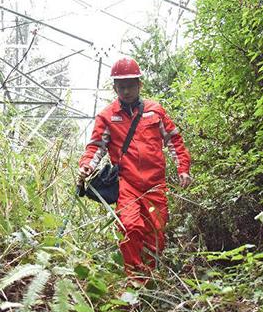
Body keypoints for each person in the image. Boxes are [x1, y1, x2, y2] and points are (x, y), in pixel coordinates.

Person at [78, 57, 192, 281]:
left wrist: (183, 168)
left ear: (139, 84)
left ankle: (150, 280)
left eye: (130, 85)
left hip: (155, 185)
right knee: (130, 227)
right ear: (115, 88)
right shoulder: (107, 116)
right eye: (121, 87)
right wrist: (86, 166)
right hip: (127, 184)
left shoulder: (155, 111)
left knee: (155, 232)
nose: (126, 91)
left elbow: (174, 141)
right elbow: (96, 147)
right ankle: (135, 281)